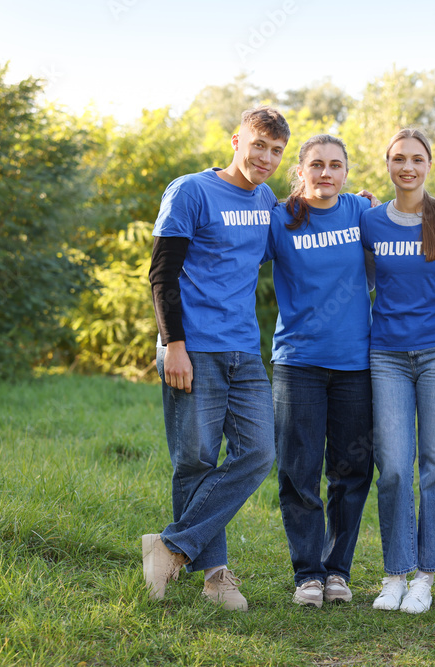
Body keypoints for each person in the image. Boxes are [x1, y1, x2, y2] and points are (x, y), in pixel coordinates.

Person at [143, 106, 290, 611]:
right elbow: (162, 273)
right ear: (236, 140)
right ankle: (215, 576)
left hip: (244, 348)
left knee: (259, 453)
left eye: (275, 151)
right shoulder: (191, 191)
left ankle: (170, 546)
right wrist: (174, 345)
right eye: (258, 146)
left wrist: (353, 205)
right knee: (197, 459)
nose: (266, 157)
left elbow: (291, 237)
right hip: (193, 347)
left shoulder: (266, 198)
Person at [360, 128, 435, 614]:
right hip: (385, 355)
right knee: (395, 468)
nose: (408, 167)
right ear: (387, 164)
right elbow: (358, 278)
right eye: (399, 159)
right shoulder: (368, 222)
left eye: (417, 159)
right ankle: (394, 574)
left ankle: (426, 576)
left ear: (430, 164)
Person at [264, 134, 375, 608]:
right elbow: (230, 259)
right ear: (301, 171)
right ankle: (307, 573)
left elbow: (413, 228)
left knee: (351, 471)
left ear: (347, 172)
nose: (325, 173)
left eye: (335, 165)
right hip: (298, 362)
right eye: (316, 165)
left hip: (355, 363)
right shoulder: (278, 218)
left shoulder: (361, 213)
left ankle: (337, 571)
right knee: (299, 471)